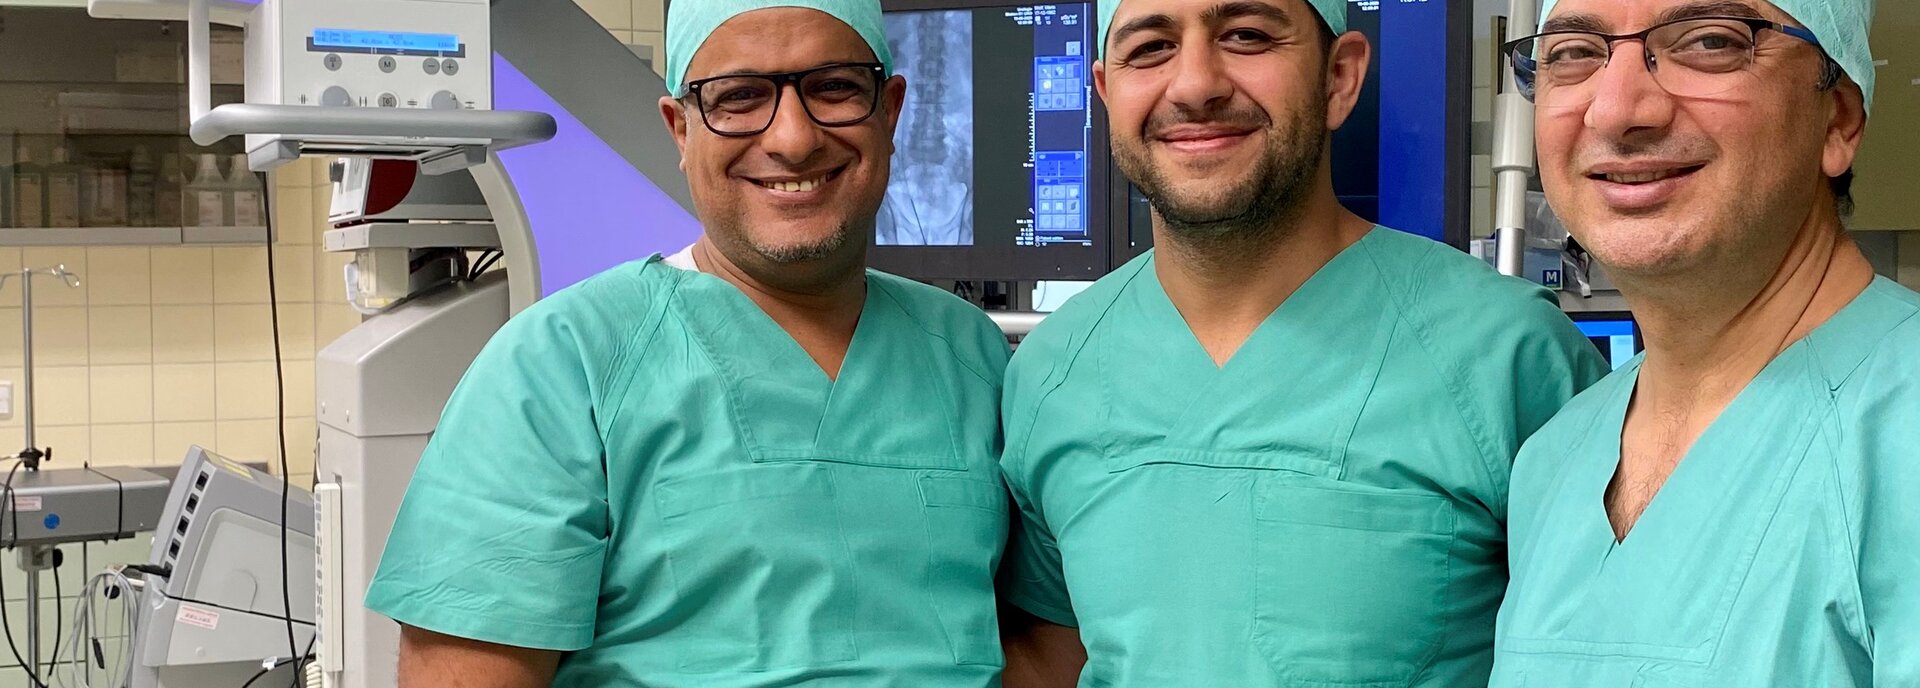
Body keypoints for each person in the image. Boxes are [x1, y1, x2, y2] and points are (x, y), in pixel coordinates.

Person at [363, 2, 1013, 686]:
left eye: (834, 88)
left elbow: (1044, 633)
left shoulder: (973, 357)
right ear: (681, 128)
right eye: (740, 97)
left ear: (891, 111)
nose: (793, 138)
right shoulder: (561, 365)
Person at [995, 0, 1609, 686]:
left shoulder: (1509, 355)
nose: (1194, 85)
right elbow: (1055, 650)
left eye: (1246, 35)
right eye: (1151, 48)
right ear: (1108, 94)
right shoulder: (1052, 371)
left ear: (1339, 77)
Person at [1491, 0, 1915, 684]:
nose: (1616, 110)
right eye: (1573, 53)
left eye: (1709, 42)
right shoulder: (1554, 460)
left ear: (1837, 120)